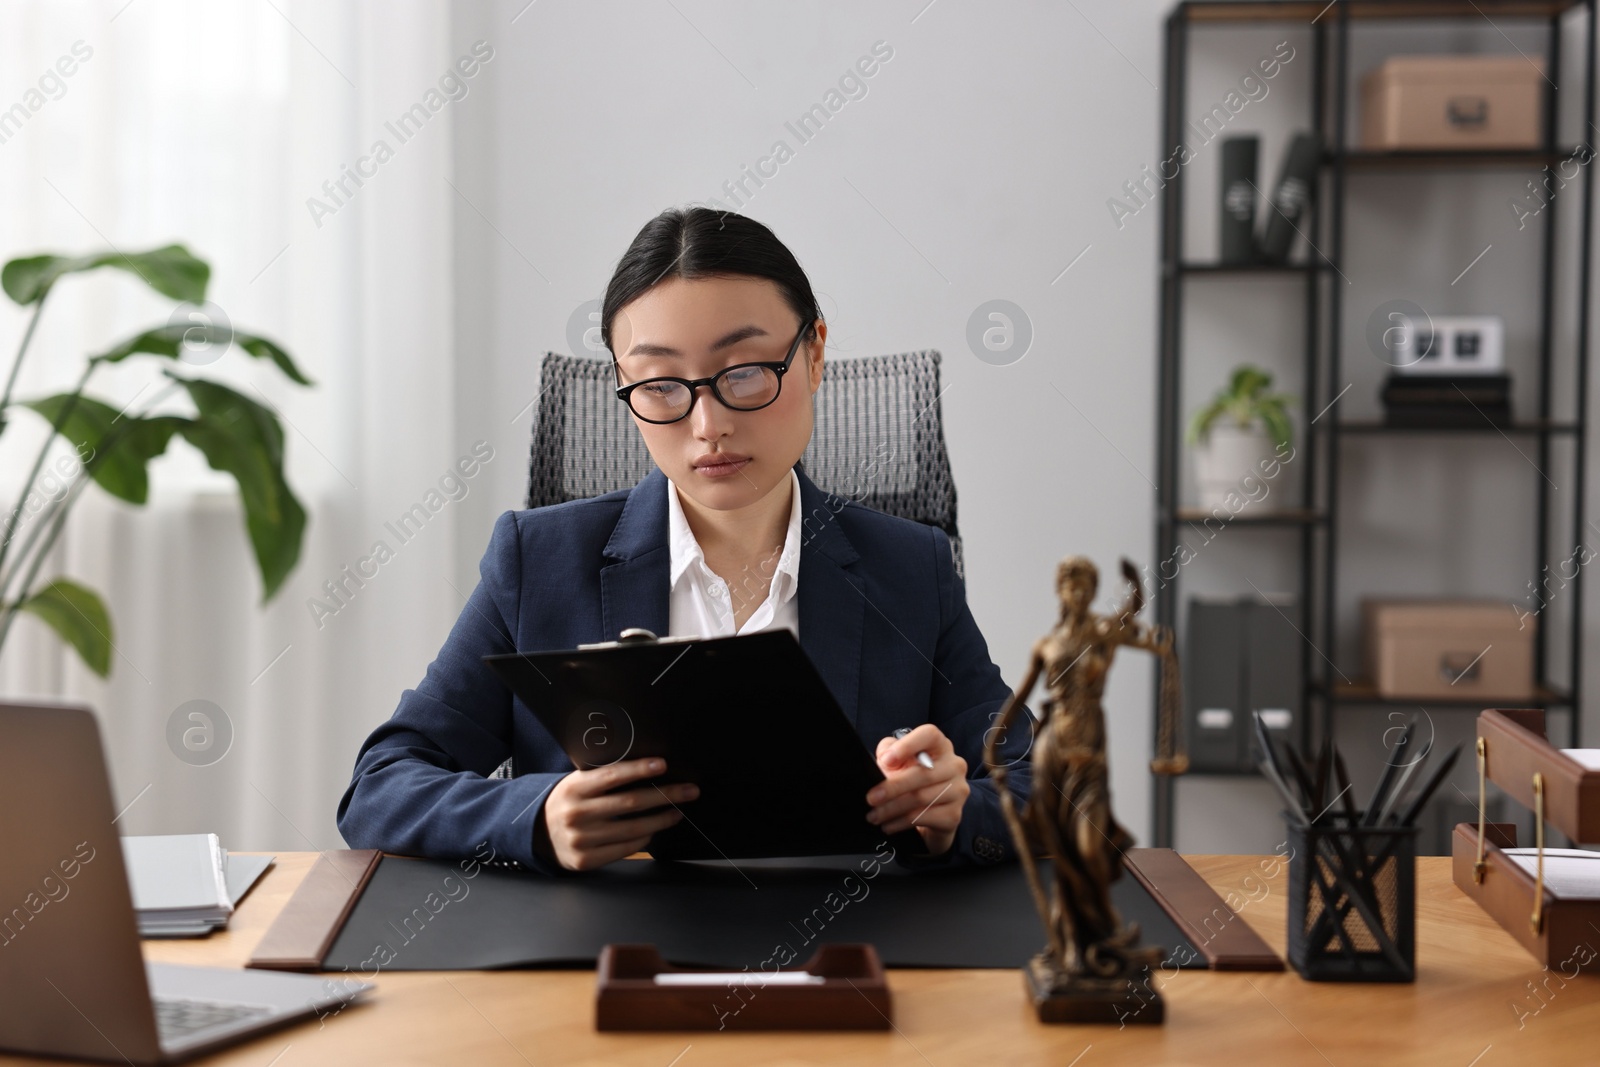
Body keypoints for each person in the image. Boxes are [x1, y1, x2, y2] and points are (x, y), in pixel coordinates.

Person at [337, 206, 1034, 875]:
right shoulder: (537, 560)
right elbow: (382, 784)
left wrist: (961, 808)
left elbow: (1053, 791)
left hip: (843, 959)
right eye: (662, 385)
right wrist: (538, 815)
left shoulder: (910, 569)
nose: (708, 426)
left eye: (746, 373)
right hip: (601, 965)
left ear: (815, 353)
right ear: (625, 383)